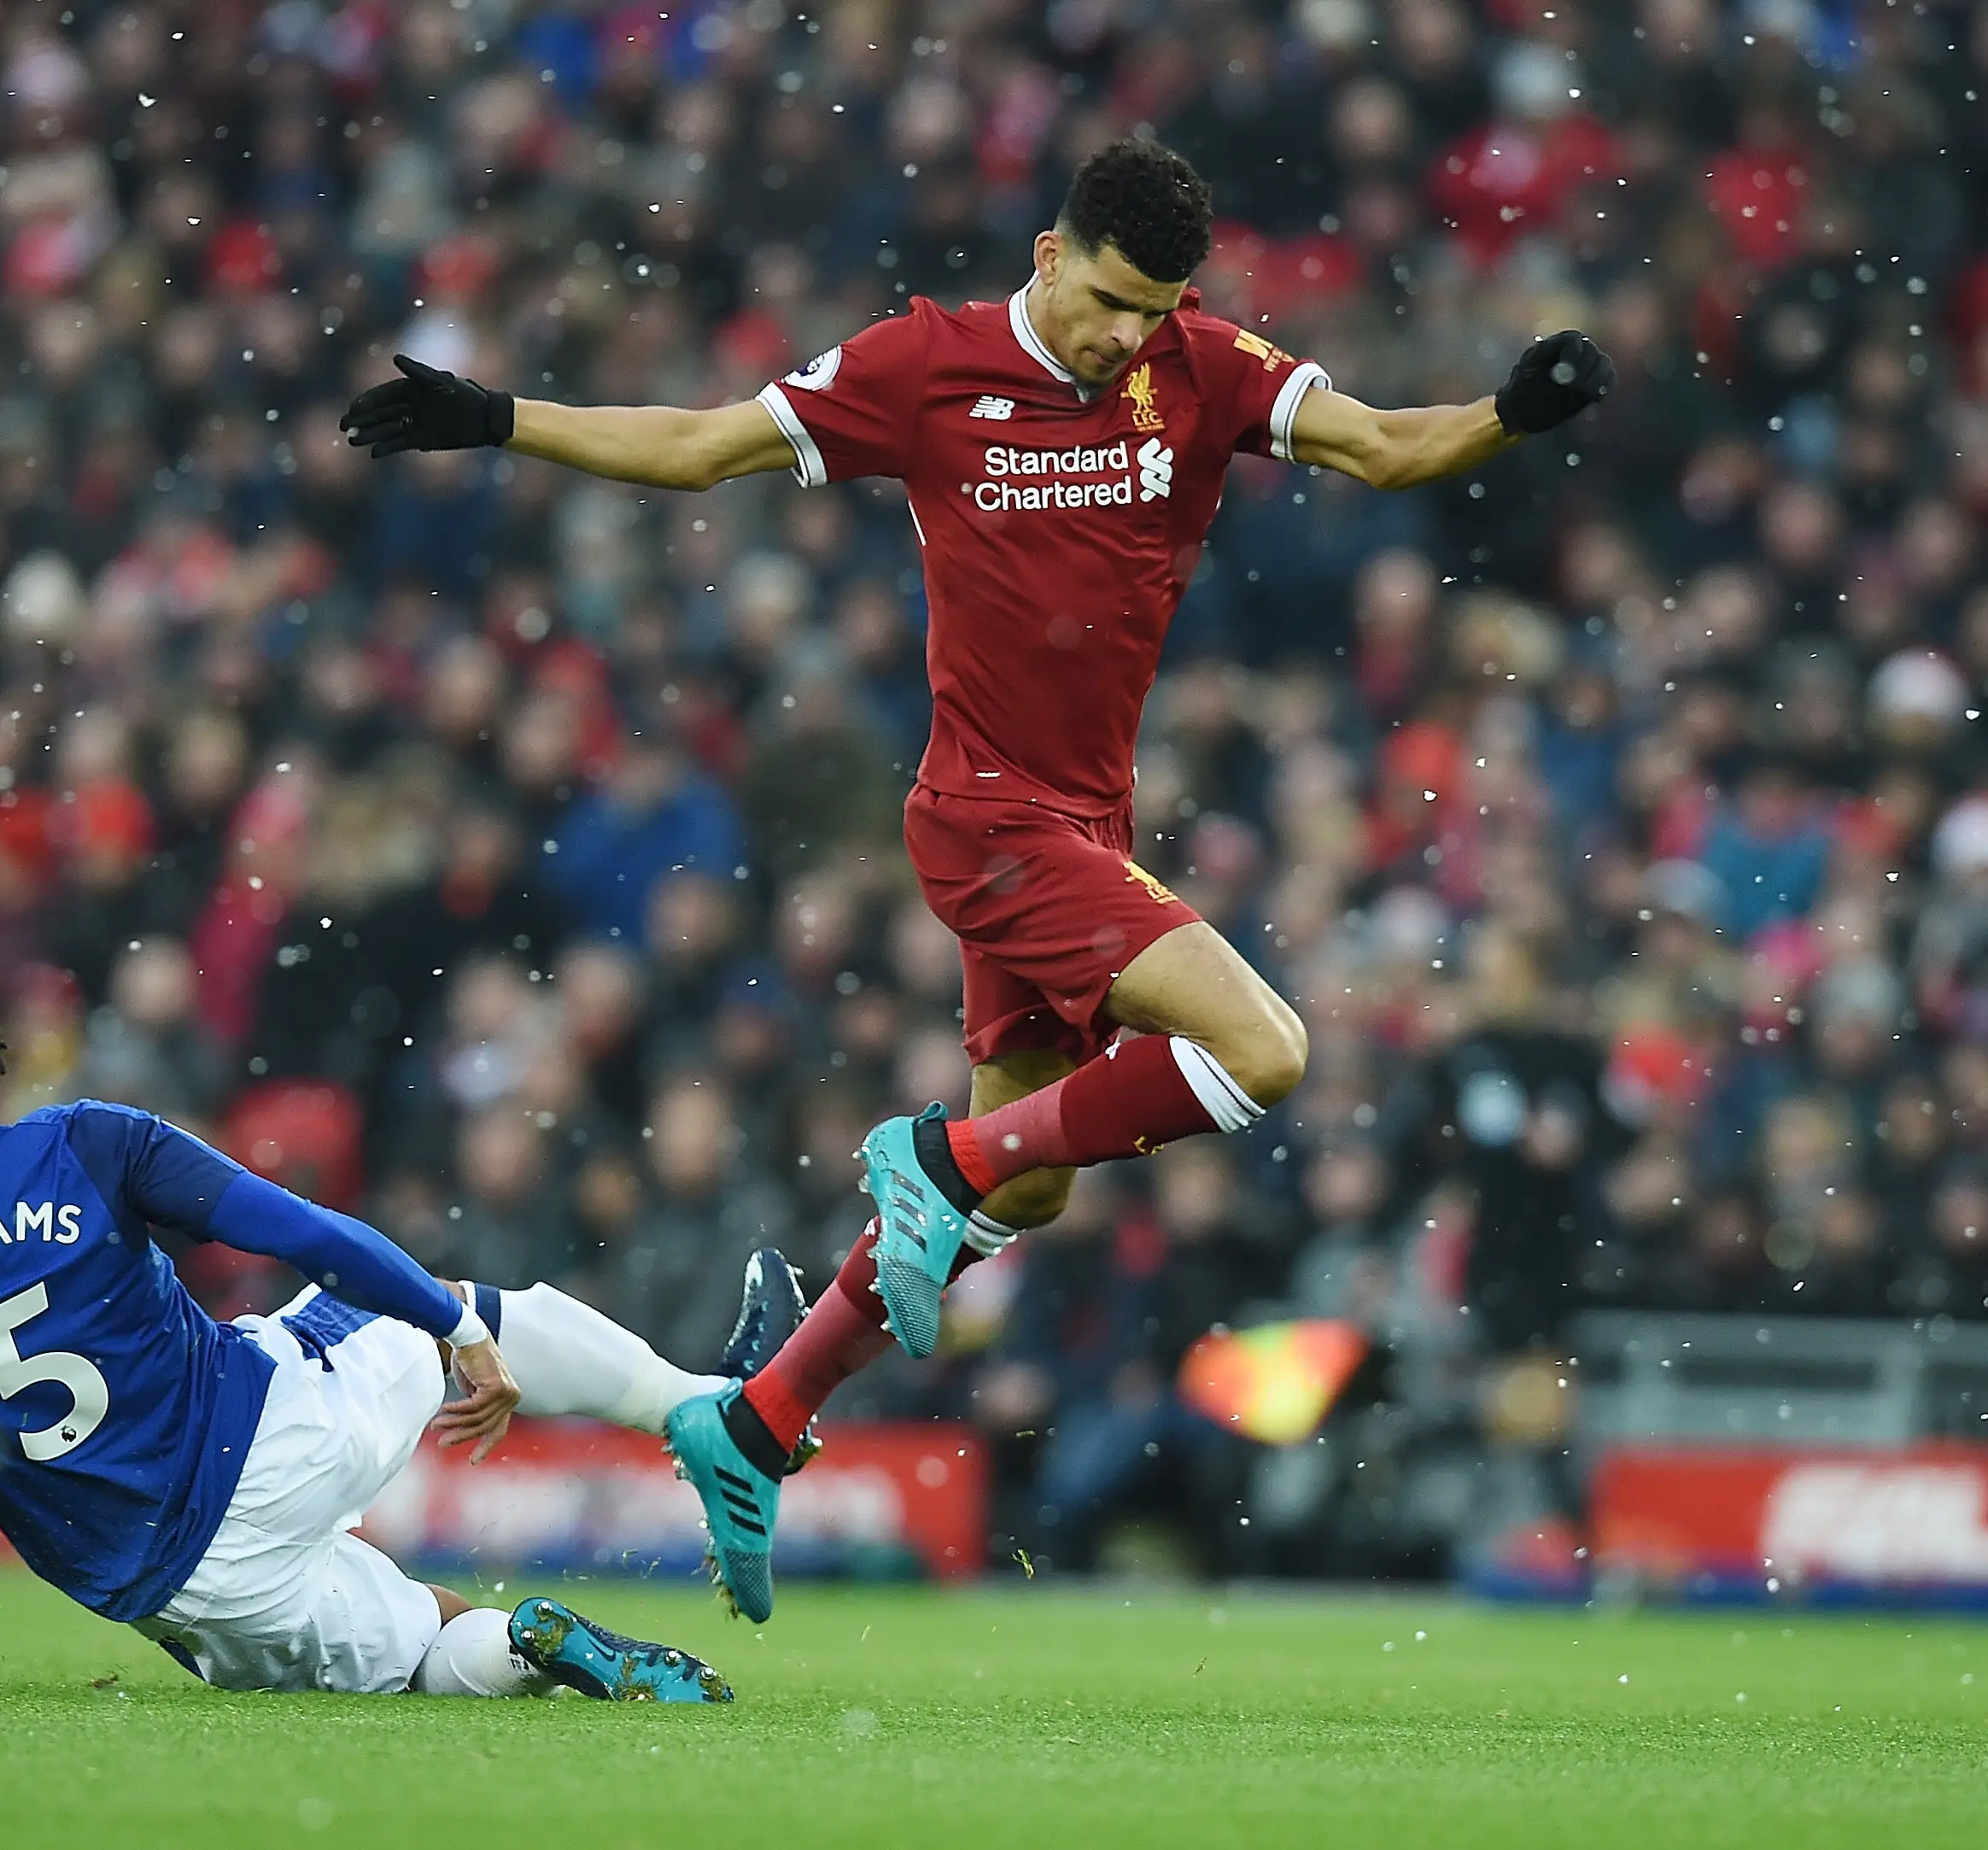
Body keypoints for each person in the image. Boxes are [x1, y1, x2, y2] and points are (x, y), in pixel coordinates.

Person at [342, 137, 1613, 1619]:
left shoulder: (1202, 369)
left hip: (1084, 829)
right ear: (1050, 259)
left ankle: (754, 1419)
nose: (1129, 338)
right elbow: (699, 445)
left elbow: (1390, 445)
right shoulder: (925, 367)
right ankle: (933, 1165)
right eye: (1114, 303)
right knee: (1265, 1047)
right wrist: (496, 417)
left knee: (1041, 1179)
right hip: (988, 821)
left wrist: (1515, 414)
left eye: (1159, 310)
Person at [0, 945, 807, 1701]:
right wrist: (452, 1327)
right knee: (452, 1301)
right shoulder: (89, 1141)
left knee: (423, 1648)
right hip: (269, 1431)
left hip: (183, 1591)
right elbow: (311, 1235)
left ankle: (523, 1644)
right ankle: (705, 1413)